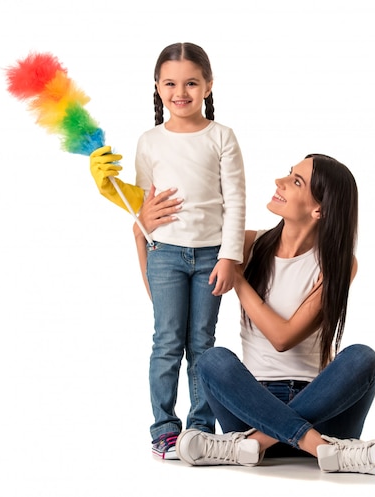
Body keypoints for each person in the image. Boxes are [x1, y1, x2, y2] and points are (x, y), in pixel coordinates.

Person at [135, 154, 375, 474]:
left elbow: (283, 337)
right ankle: (321, 448)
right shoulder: (248, 244)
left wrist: (237, 278)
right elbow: (167, 301)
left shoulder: (340, 263)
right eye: (289, 174)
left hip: (321, 405)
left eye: (296, 182)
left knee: (363, 357)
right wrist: (141, 235)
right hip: (251, 403)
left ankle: (253, 443)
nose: (280, 182)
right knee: (212, 360)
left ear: (318, 209)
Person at [89, 42, 246, 459]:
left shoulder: (222, 137)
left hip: (212, 255)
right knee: (167, 341)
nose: (181, 91)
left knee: (203, 343)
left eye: (192, 82)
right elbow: (145, 204)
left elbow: (235, 201)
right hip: (165, 255)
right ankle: (164, 428)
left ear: (208, 86)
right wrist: (133, 208)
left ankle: (199, 427)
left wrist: (231, 256)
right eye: (171, 83)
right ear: (157, 87)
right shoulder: (149, 141)